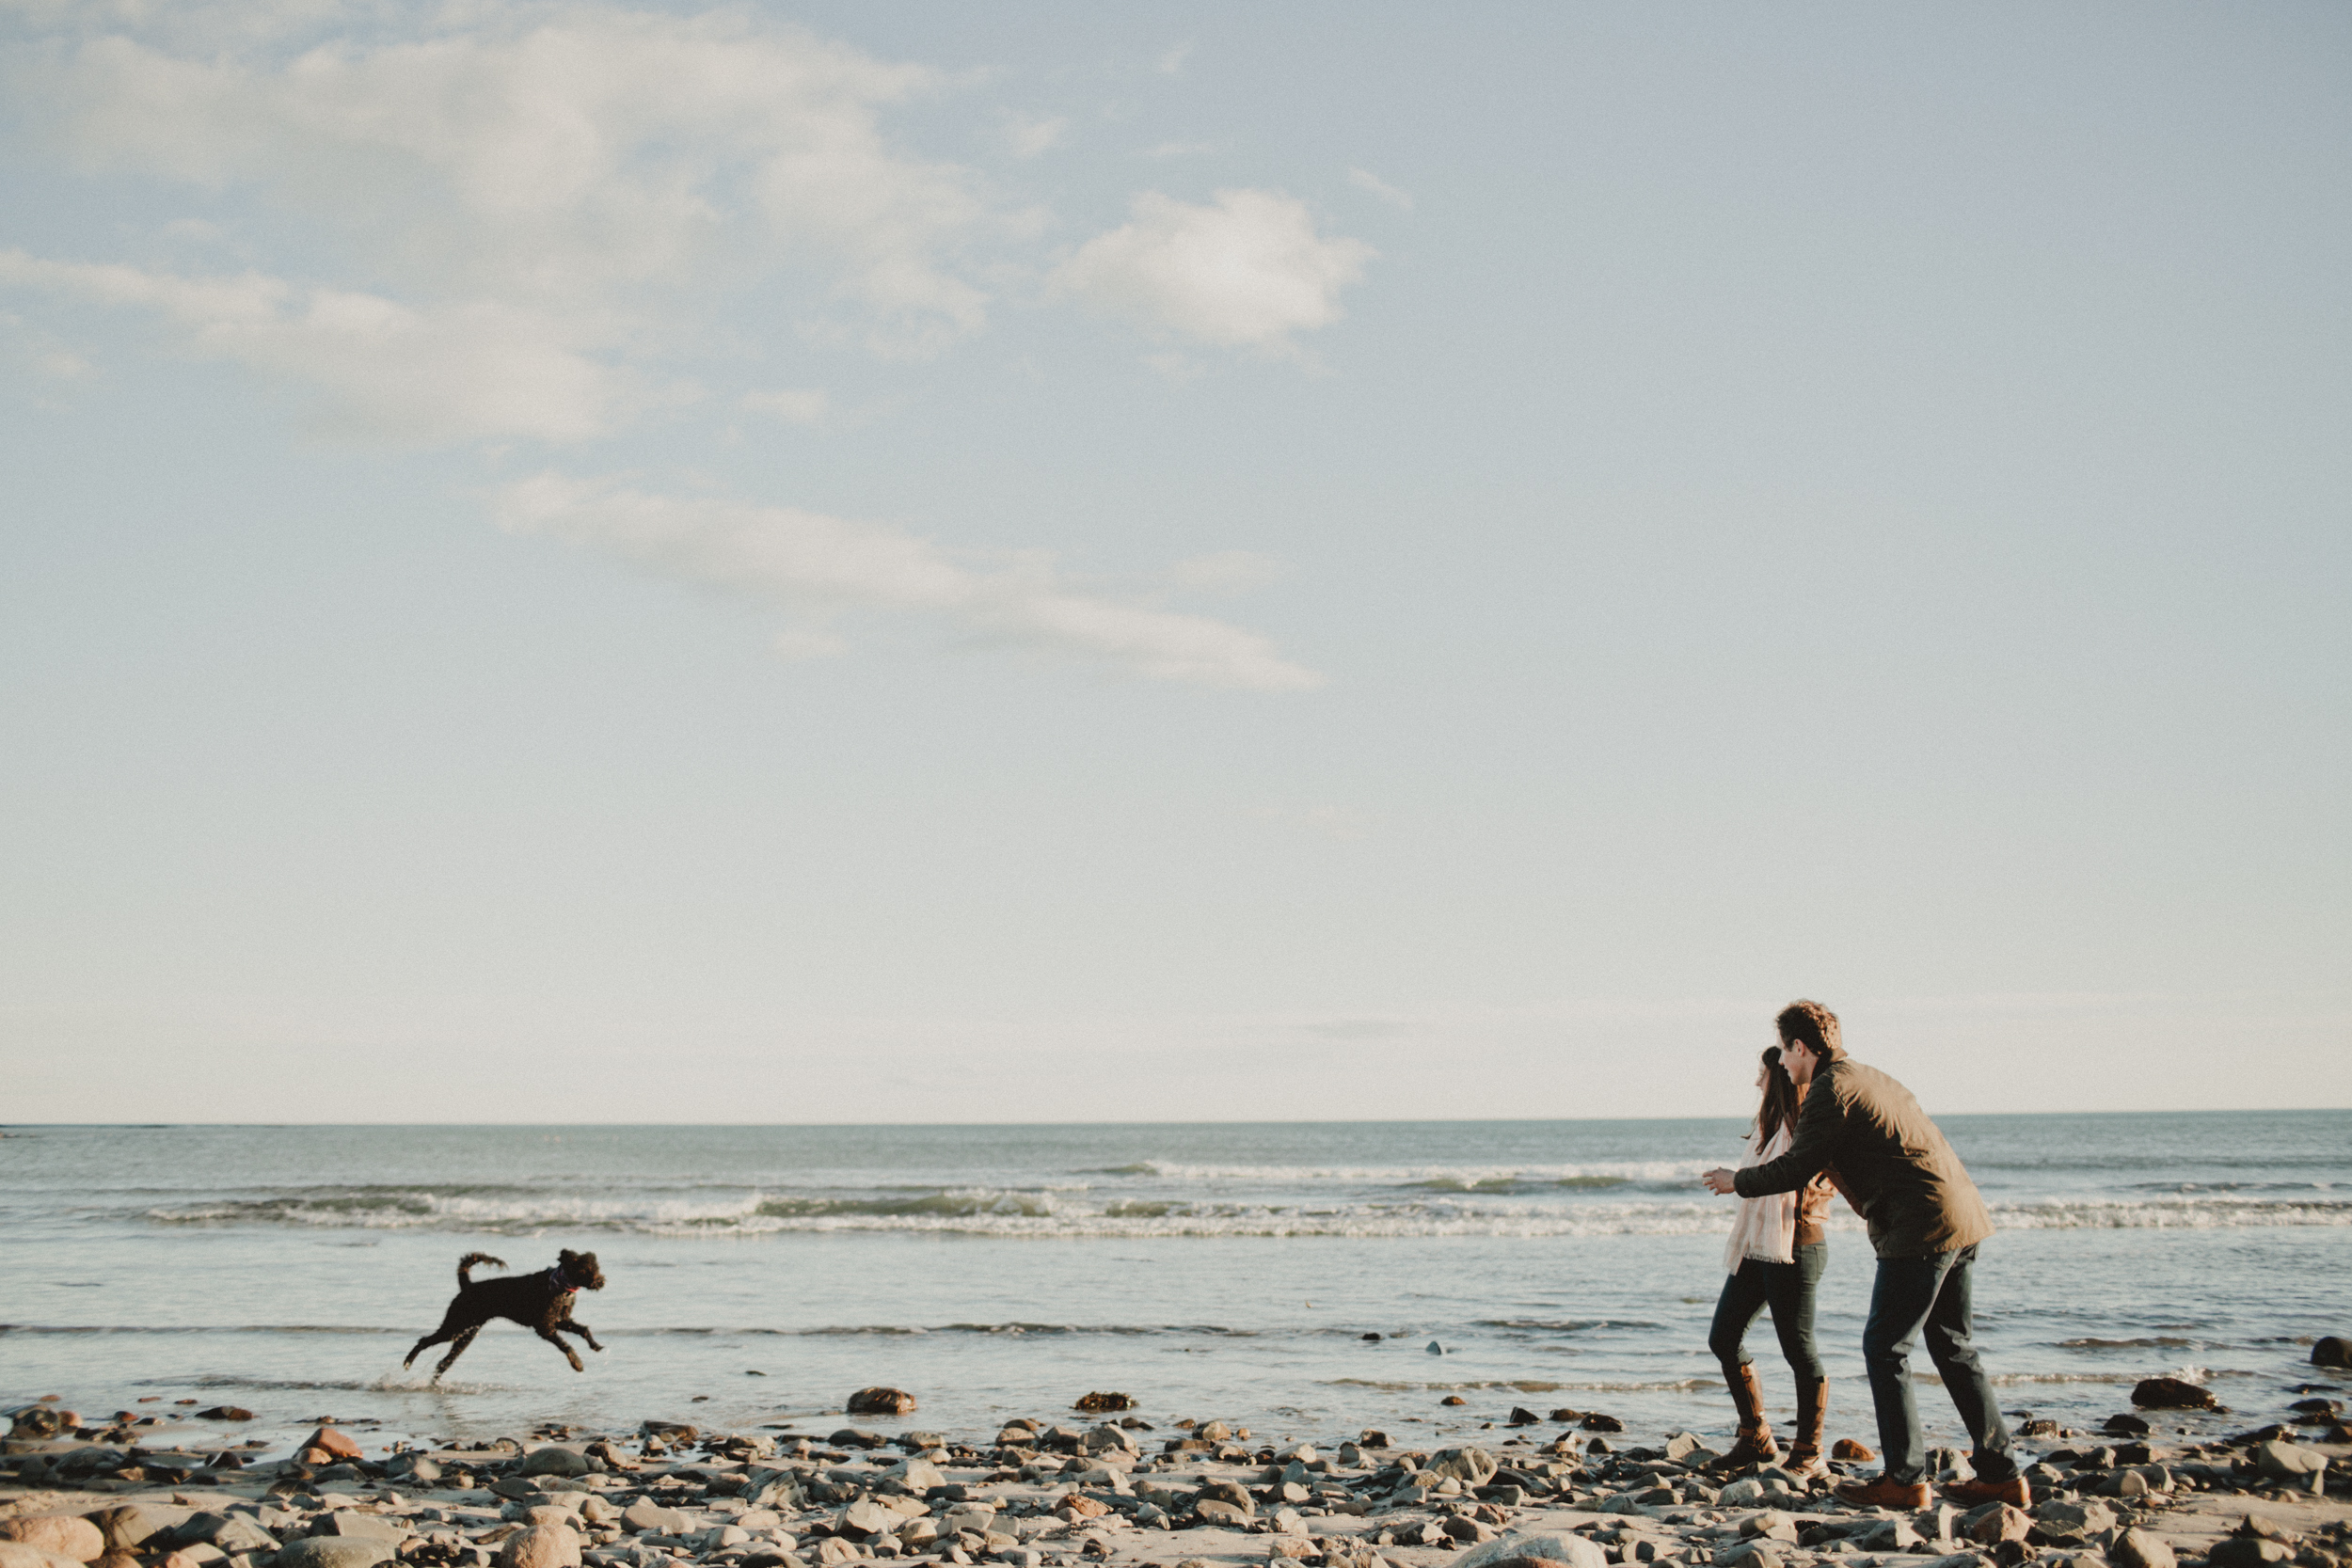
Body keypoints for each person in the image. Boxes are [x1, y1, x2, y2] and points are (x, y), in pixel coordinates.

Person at [1702, 1000, 2027, 1510]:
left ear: (1801, 1047)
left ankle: (1905, 1479)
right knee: (1953, 1346)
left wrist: (1735, 1181)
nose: (1782, 1066)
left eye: (1785, 1055)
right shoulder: (1869, 1076)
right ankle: (2002, 1474)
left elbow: (1796, 1167)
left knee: (1885, 1348)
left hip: (1920, 1226)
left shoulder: (1831, 1089)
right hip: (1961, 1215)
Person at [1705, 1046, 1838, 1478]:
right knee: (1723, 1337)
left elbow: (1792, 1174)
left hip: (1795, 1244)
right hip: (1756, 1244)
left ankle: (1808, 1451)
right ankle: (1755, 1437)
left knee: (1798, 1349)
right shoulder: (1767, 1126)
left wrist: (1736, 1181)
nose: (1758, 1081)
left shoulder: (1806, 1129)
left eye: (1764, 1073)